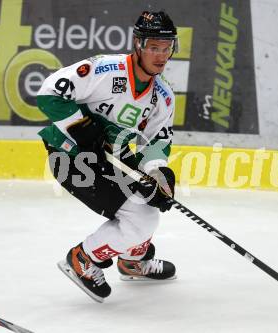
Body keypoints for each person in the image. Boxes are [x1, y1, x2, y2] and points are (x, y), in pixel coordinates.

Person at [36, 11, 179, 302]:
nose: (161, 55)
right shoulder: (105, 69)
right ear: (137, 44)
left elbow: (156, 142)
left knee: (147, 203)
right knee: (141, 219)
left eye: (167, 48)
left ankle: (131, 261)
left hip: (110, 158)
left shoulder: (163, 96)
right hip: (71, 156)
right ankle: (83, 259)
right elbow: (48, 92)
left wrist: (157, 173)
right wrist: (81, 127)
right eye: (154, 47)